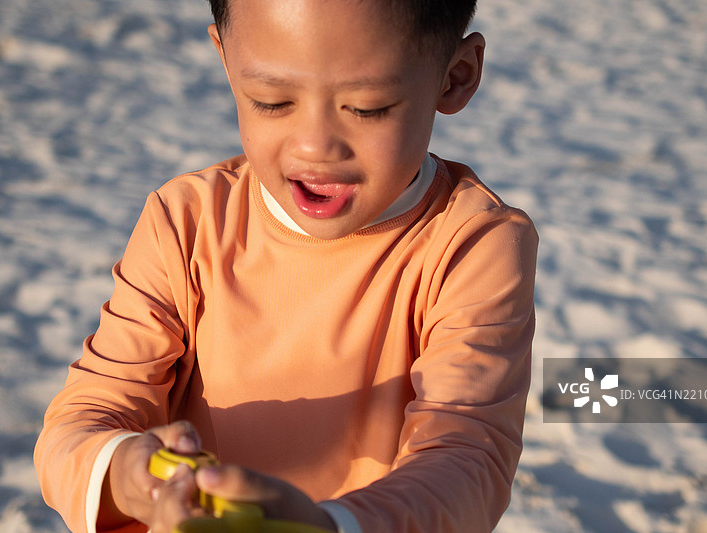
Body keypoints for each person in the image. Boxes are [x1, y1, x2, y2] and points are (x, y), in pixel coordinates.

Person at [34, 0, 538, 532]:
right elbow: (82, 421)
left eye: (367, 107)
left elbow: (468, 454)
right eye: (271, 101)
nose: (315, 147)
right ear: (226, 62)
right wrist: (127, 474)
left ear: (455, 77)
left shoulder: (470, 244)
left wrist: (333, 524)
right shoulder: (187, 223)